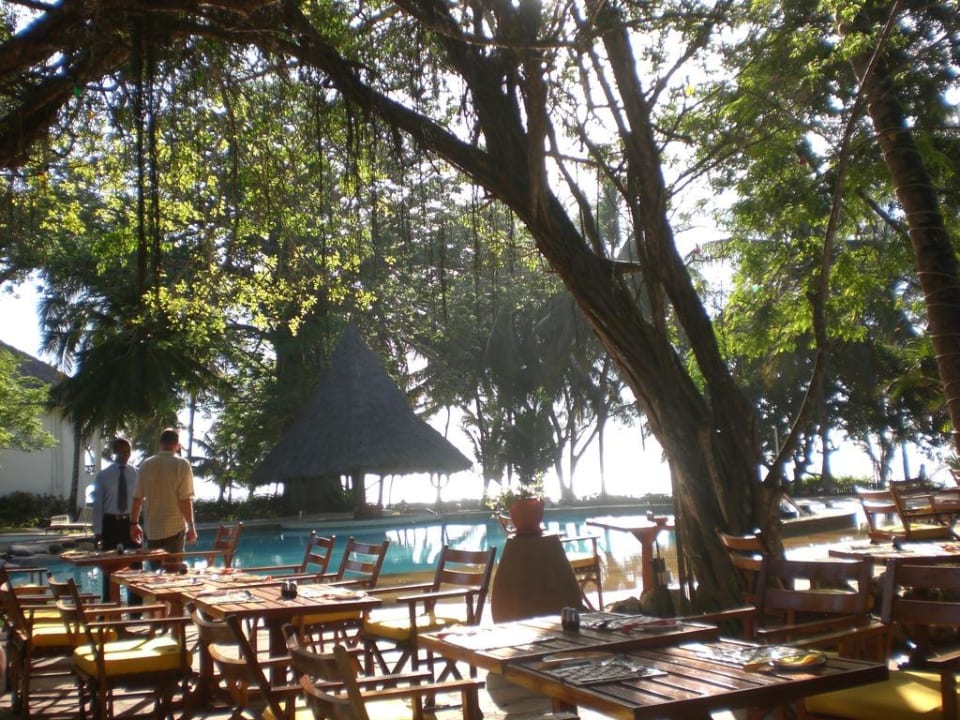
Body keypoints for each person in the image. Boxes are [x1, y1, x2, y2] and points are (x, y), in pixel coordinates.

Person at [130, 427, 197, 554]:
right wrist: (191, 526)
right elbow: (185, 500)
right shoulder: (182, 465)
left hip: (152, 530)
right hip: (175, 529)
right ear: (177, 446)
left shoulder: (146, 464)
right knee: (173, 571)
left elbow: (137, 498)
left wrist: (133, 524)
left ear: (160, 444)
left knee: (156, 572)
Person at [91, 437, 142, 602]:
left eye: (127, 451)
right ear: (114, 452)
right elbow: (98, 505)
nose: (124, 454)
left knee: (135, 566)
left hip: (130, 523)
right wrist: (98, 532)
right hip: (110, 524)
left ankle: (136, 611)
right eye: (121, 450)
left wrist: (140, 523)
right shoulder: (103, 476)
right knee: (110, 567)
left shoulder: (136, 474)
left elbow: (141, 501)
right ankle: (109, 606)